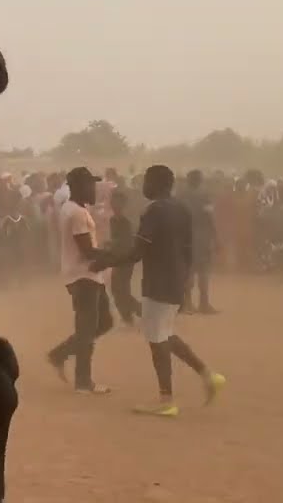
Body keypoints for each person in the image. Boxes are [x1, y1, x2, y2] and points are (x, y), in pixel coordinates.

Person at [93, 165, 226, 416]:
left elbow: (137, 251)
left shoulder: (154, 211)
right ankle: (208, 375)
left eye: (147, 181)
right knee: (164, 333)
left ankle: (166, 399)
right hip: (177, 279)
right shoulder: (181, 209)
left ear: (156, 183)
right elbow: (188, 246)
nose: (143, 186)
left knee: (156, 339)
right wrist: (187, 278)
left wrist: (107, 260)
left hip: (159, 281)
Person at [45, 167, 114, 395]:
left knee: (104, 323)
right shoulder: (76, 213)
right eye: (89, 185)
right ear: (77, 187)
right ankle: (83, 381)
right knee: (87, 329)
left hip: (86, 274)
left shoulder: (73, 208)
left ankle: (61, 354)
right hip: (83, 275)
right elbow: (86, 251)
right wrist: (114, 255)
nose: (94, 189)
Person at [179, 170, 220, 314]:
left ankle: (188, 303)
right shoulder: (204, 196)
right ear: (200, 180)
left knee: (188, 270)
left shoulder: (180, 196)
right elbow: (210, 217)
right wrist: (216, 238)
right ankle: (203, 303)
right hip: (202, 236)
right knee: (203, 271)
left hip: (185, 236)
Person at [107, 189, 141, 327]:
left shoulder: (125, 221)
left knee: (119, 289)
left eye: (116, 202)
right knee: (119, 289)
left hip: (125, 258)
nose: (114, 204)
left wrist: (112, 244)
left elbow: (126, 241)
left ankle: (139, 312)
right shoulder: (114, 220)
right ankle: (128, 315)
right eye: (112, 202)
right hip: (119, 258)